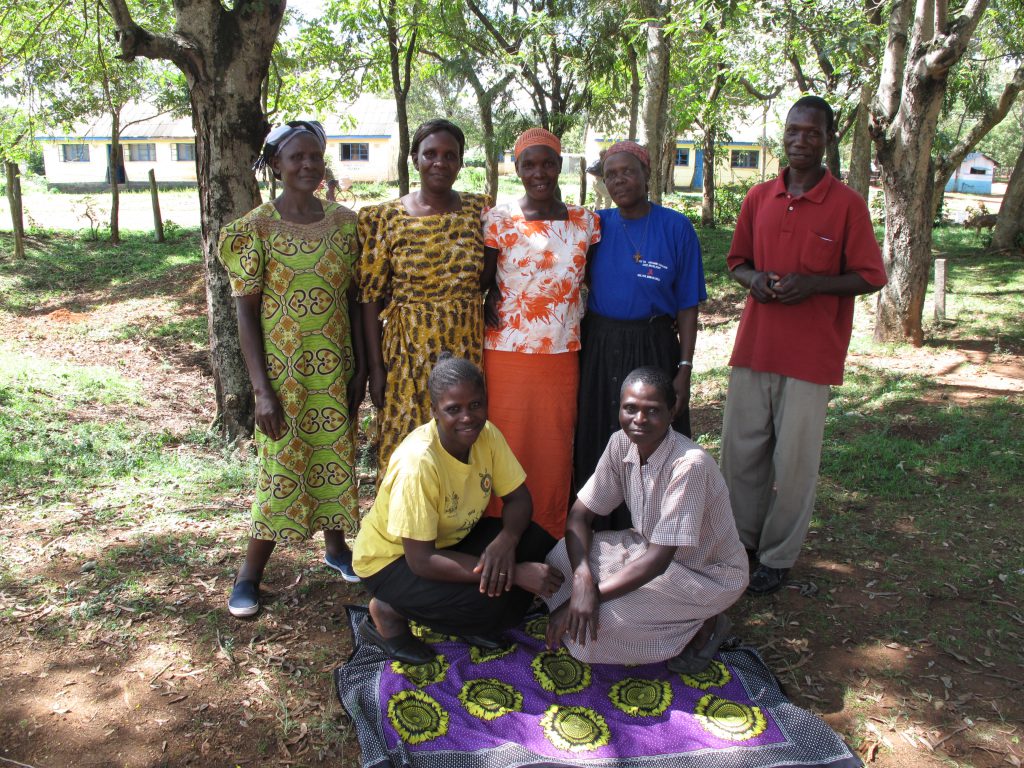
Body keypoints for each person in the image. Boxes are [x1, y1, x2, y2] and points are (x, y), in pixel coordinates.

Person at [720, 96, 887, 596]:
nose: (800, 140)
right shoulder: (759, 197)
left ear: (828, 138)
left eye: (811, 133)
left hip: (812, 356)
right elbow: (737, 261)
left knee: (793, 463)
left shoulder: (847, 204)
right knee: (741, 452)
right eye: (793, 131)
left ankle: (777, 556)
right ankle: (740, 544)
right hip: (754, 347)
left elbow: (869, 276)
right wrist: (754, 280)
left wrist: (813, 284)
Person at [219, 120, 367, 618]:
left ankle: (337, 550)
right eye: (295, 158)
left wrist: (360, 370)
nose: (307, 166)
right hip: (283, 377)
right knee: (281, 469)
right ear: (277, 165)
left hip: (333, 369)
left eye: (314, 157)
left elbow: (354, 301)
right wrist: (261, 391)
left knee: (332, 456)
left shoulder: (347, 226)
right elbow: (245, 315)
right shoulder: (253, 230)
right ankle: (249, 575)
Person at [352, 354, 564, 665]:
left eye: (476, 405)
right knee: (495, 598)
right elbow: (422, 561)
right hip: (393, 561)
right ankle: (388, 613)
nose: (468, 417)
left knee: (534, 541)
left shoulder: (487, 435)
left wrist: (505, 541)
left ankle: (470, 619)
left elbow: (519, 499)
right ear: (434, 411)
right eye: (453, 409)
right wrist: (514, 573)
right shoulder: (419, 464)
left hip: (447, 542)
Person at [544, 367, 748, 669]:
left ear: (672, 412)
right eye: (630, 409)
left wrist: (589, 597)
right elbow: (579, 517)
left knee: (592, 636)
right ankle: (656, 615)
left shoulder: (689, 465)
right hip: (647, 549)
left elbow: (659, 561)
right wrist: (583, 579)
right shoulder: (620, 443)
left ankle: (701, 626)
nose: (639, 420)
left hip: (703, 573)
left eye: (652, 411)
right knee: (559, 558)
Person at [574, 140, 706, 530]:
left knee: (652, 436)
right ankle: (596, 529)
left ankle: (657, 528)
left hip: (653, 344)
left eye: (627, 171)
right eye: (610, 174)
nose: (619, 180)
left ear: (647, 174)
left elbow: (687, 305)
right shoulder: (595, 228)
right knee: (600, 430)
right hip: (600, 343)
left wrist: (684, 366)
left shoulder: (676, 227)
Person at [482, 127, 601, 537]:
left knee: (552, 447)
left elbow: (595, 281)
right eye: (528, 164)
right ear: (516, 168)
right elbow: (483, 282)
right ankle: (497, 533)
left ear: (559, 165)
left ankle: (548, 531)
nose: (539, 172)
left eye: (547, 163)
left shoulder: (586, 222)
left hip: (561, 353)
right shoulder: (498, 220)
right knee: (504, 442)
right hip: (505, 353)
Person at [358, 119, 493, 474]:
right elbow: (370, 298)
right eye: (430, 154)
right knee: (406, 442)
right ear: (414, 158)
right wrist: (375, 368)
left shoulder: (480, 211)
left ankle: (458, 525)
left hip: (464, 345)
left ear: (461, 162)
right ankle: (400, 527)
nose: (440, 162)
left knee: (461, 441)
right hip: (407, 352)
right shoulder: (384, 217)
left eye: (450, 155)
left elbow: (496, 271)